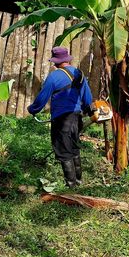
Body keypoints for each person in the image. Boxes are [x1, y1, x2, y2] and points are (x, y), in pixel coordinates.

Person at [27, 47, 95, 188]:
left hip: (61, 119)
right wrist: (89, 112)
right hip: (76, 117)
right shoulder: (79, 74)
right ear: (67, 59)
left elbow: (42, 97)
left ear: (55, 61)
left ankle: (71, 185)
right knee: (74, 148)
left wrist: (33, 109)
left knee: (64, 150)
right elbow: (87, 97)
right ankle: (79, 181)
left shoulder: (54, 77)